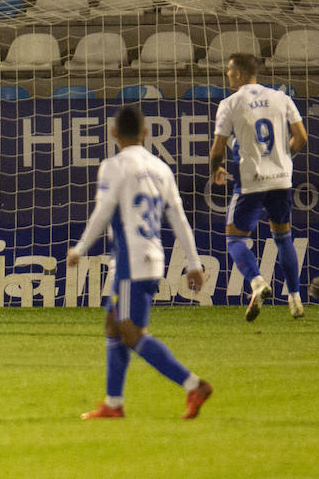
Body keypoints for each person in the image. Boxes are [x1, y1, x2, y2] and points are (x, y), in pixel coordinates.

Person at [69, 105, 213, 420]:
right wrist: (193, 262)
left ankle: (193, 384)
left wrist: (80, 247)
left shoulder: (114, 165)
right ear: (146, 133)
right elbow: (179, 218)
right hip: (153, 256)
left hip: (130, 260)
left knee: (130, 331)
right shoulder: (161, 168)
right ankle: (113, 404)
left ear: (114, 133)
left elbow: (104, 209)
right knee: (113, 325)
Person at [209, 53, 309, 321]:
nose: (227, 74)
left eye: (229, 70)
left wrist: (215, 169)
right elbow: (301, 137)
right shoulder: (281, 98)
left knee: (234, 238)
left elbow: (218, 147)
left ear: (239, 74)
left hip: (252, 180)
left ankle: (256, 282)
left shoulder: (230, 103)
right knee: (283, 237)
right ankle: (296, 300)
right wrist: (283, 160)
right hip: (281, 179)